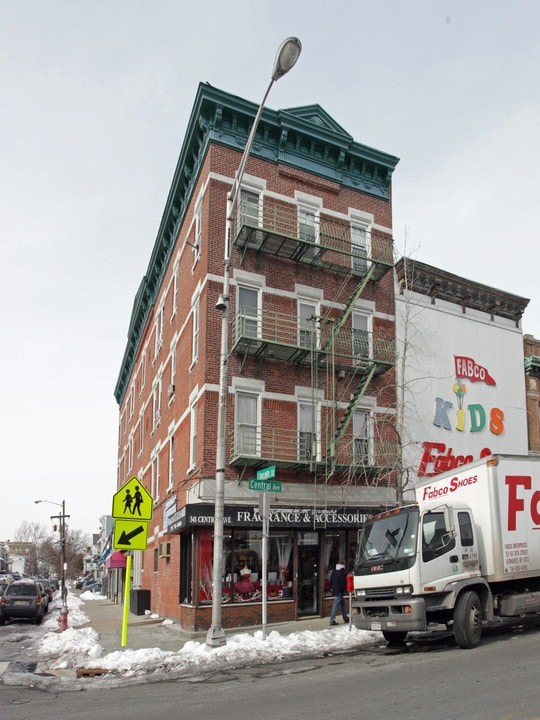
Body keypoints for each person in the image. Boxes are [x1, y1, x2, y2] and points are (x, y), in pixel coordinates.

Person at [329, 559, 349, 626]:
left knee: (343, 605)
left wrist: (332, 589)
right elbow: (343, 583)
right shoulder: (342, 572)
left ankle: (345, 618)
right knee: (335, 606)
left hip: (335, 590)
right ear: (343, 564)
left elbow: (331, 581)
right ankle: (332, 620)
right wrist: (344, 589)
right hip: (340, 591)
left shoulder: (334, 571)